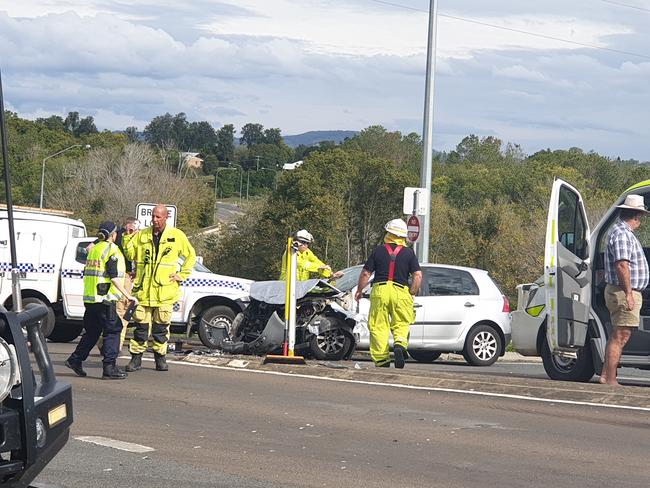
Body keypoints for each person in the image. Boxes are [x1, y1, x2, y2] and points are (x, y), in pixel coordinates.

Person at [122, 204, 196, 372]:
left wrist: (182, 274)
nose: (154, 220)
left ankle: (160, 359)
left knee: (161, 328)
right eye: (153, 216)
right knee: (141, 328)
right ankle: (136, 359)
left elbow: (191, 256)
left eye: (158, 217)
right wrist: (128, 238)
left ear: (166, 217)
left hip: (164, 292)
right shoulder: (142, 235)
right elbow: (131, 255)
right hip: (143, 291)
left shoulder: (176, 236)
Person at [64, 221, 137, 379]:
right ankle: (109, 368)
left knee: (92, 332)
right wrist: (128, 295)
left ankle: (75, 360)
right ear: (113, 235)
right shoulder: (111, 250)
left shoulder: (94, 249)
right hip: (105, 300)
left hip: (91, 300)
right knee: (113, 330)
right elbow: (114, 277)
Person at [355, 218, 422, 368]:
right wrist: (412, 292)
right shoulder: (409, 253)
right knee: (402, 322)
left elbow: (366, 273)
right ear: (403, 236)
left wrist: (359, 290)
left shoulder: (378, 251)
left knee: (379, 325)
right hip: (401, 291)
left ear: (389, 233)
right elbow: (417, 276)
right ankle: (399, 344)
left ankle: (382, 360)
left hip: (380, 290)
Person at [600, 194, 650, 385]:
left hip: (622, 291)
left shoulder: (621, 232)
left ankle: (606, 374)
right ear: (636, 216)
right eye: (640, 217)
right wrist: (629, 293)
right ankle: (611, 379)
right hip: (622, 292)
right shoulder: (622, 234)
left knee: (617, 334)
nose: (640, 222)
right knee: (621, 336)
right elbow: (622, 266)